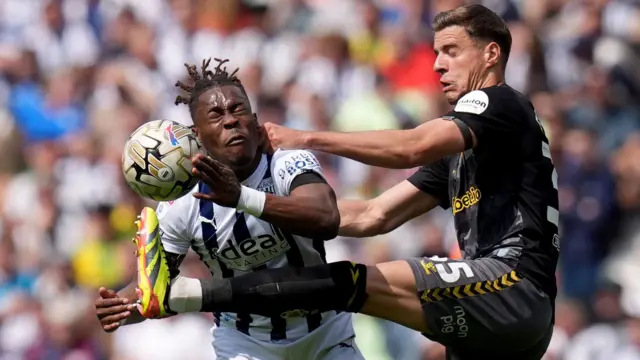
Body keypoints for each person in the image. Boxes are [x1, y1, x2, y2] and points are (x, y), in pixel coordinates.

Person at [137, 4, 559, 359]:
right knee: (346, 284)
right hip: (501, 319)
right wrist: (272, 206)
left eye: (451, 51)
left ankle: (188, 296)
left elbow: (411, 147)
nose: (437, 65)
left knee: (346, 283)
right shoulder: (461, 155)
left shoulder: (498, 102)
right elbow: (373, 215)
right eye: (435, 53)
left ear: (490, 54)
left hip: (511, 285)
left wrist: (307, 136)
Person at [95, 58, 365, 360]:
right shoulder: (181, 204)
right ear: (197, 136)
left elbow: (326, 218)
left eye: (238, 110)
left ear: (254, 119)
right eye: (216, 114)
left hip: (324, 332)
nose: (230, 120)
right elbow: (158, 286)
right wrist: (123, 306)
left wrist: (241, 197)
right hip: (246, 343)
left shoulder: (285, 162)